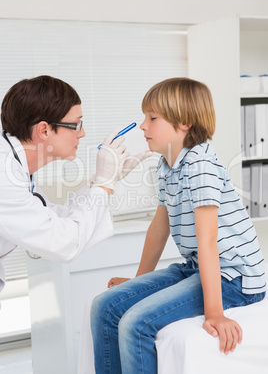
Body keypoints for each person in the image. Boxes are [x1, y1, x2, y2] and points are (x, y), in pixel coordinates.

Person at [90, 77, 266, 374]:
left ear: (183, 122)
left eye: (152, 118)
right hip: (197, 267)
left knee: (137, 323)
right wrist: (138, 283)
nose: (143, 126)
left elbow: (208, 240)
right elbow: (160, 228)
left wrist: (215, 313)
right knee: (104, 307)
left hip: (235, 278)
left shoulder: (201, 163)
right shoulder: (167, 164)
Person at [0, 75, 151, 293]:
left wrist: (104, 182)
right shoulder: (5, 175)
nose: (82, 133)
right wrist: (103, 184)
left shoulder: (16, 168)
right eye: (76, 124)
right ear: (44, 130)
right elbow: (62, 243)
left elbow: (56, 217)